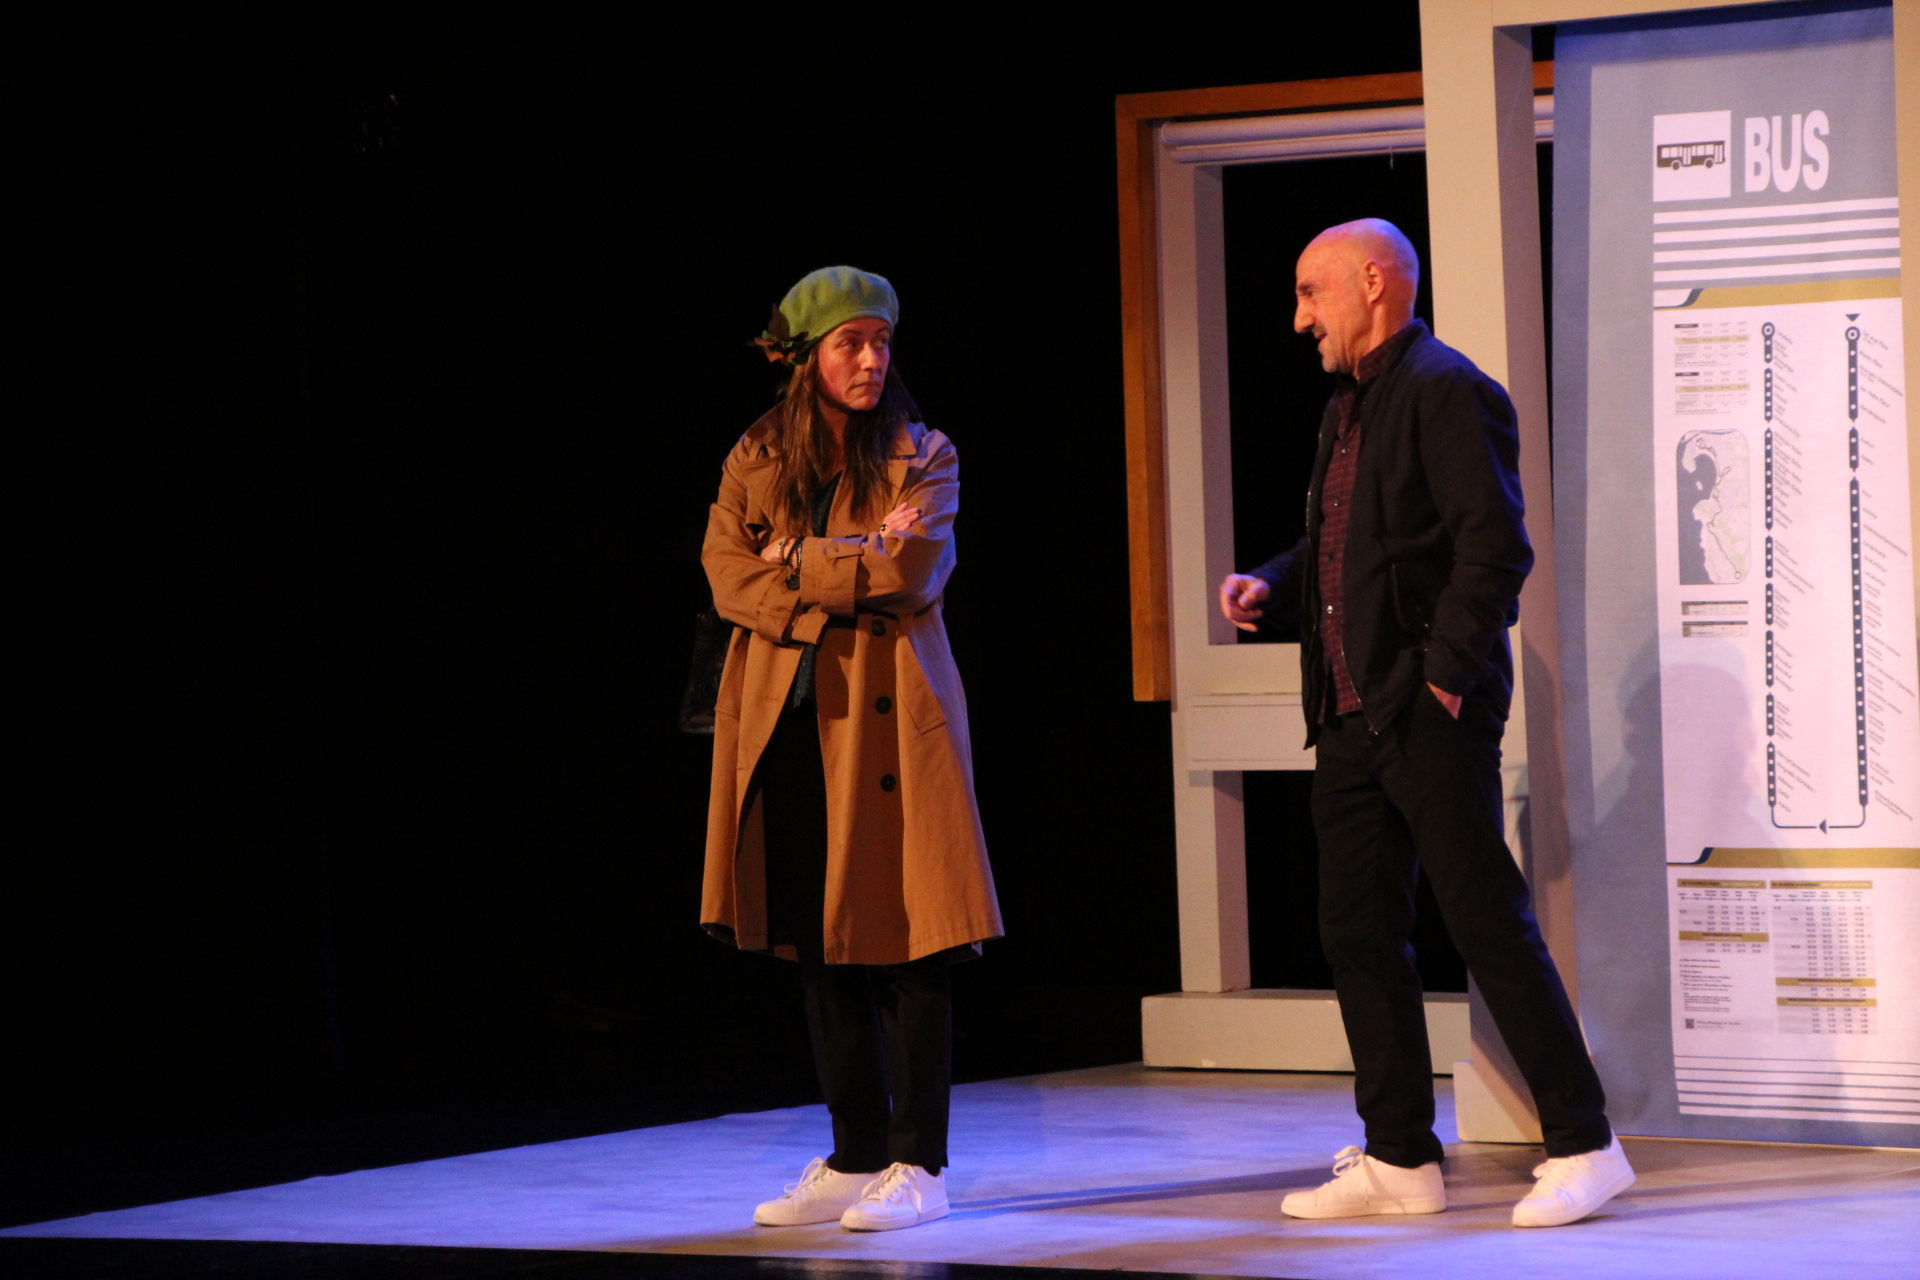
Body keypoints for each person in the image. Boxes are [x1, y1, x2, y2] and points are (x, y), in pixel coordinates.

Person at [1217, 220, 1635, 1229]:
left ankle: (1586, 1142)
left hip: (1422, 709)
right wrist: (1271, 582)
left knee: (1485, 919)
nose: (1299, 318)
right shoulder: (1348, 406)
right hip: (1349, 712)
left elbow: (1495, 551)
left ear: (1373, 283)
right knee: (1357, 931)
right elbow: (1342, 545)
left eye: (1311, 292)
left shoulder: (1447, 389)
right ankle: (1401, 1154)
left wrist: (1443, 681)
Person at [700, 265, 1002, 1233]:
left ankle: (920, 1161)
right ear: (807, 358)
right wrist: (843, 563)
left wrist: (793, 556)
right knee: (818, 935)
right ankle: (856, 1149)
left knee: (913, 937)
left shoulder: (924, 452)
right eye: (850, 344)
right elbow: (725, 573)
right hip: (788, 716)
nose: (872, 360)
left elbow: (910, 570)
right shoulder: (756, 453)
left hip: (890, 720)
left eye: (881, 342)